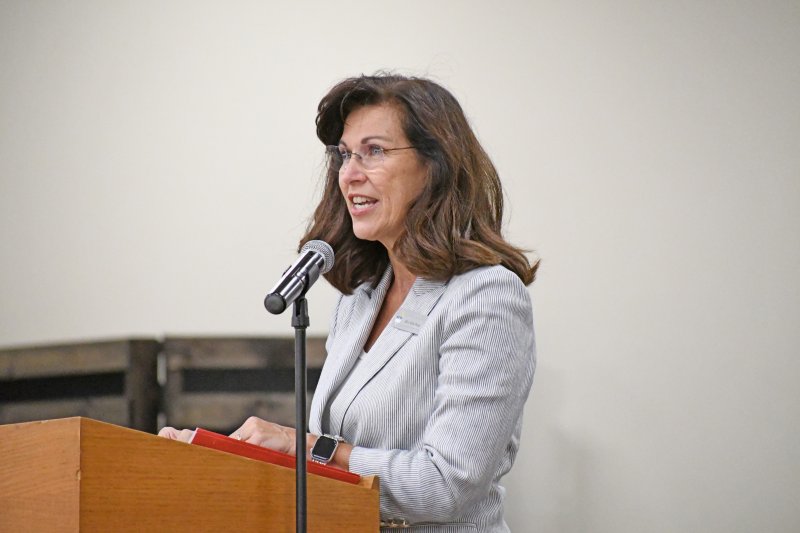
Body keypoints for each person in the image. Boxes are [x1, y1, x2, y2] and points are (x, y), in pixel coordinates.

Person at [160, 73, 538, 532]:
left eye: (374, 151)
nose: (350, 174)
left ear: (435, 165)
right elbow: (333, 470)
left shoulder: (487, 296)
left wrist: (302, 446)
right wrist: (228, 455)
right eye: (344, 154)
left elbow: (445, 485)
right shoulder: (360, 301)